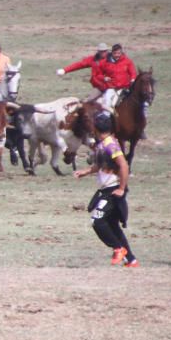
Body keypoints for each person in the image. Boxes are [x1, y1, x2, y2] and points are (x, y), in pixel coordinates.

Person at [75, 112, 137, 267]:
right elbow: (102, 165)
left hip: (113, 190)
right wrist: (86, 171)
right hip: (107, 190)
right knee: (112, 225)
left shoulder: (111, 144)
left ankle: (118, 248)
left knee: (97, 220)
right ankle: (131, 260)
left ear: (95, 128)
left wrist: (122, 188)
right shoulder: (102, 144)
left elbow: (123, 165)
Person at [99, 43, 137, 113]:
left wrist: (132, 79)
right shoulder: (105, 62)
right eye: (115, 53)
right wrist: (104, 78)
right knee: (107, 100)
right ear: (112, 53)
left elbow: (133, 73)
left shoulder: (127, 61)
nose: (117, 55)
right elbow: (99, 74)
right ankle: (106, 116)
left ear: (121, 52)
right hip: (111, 87)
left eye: (119, 53)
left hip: (125, 87)